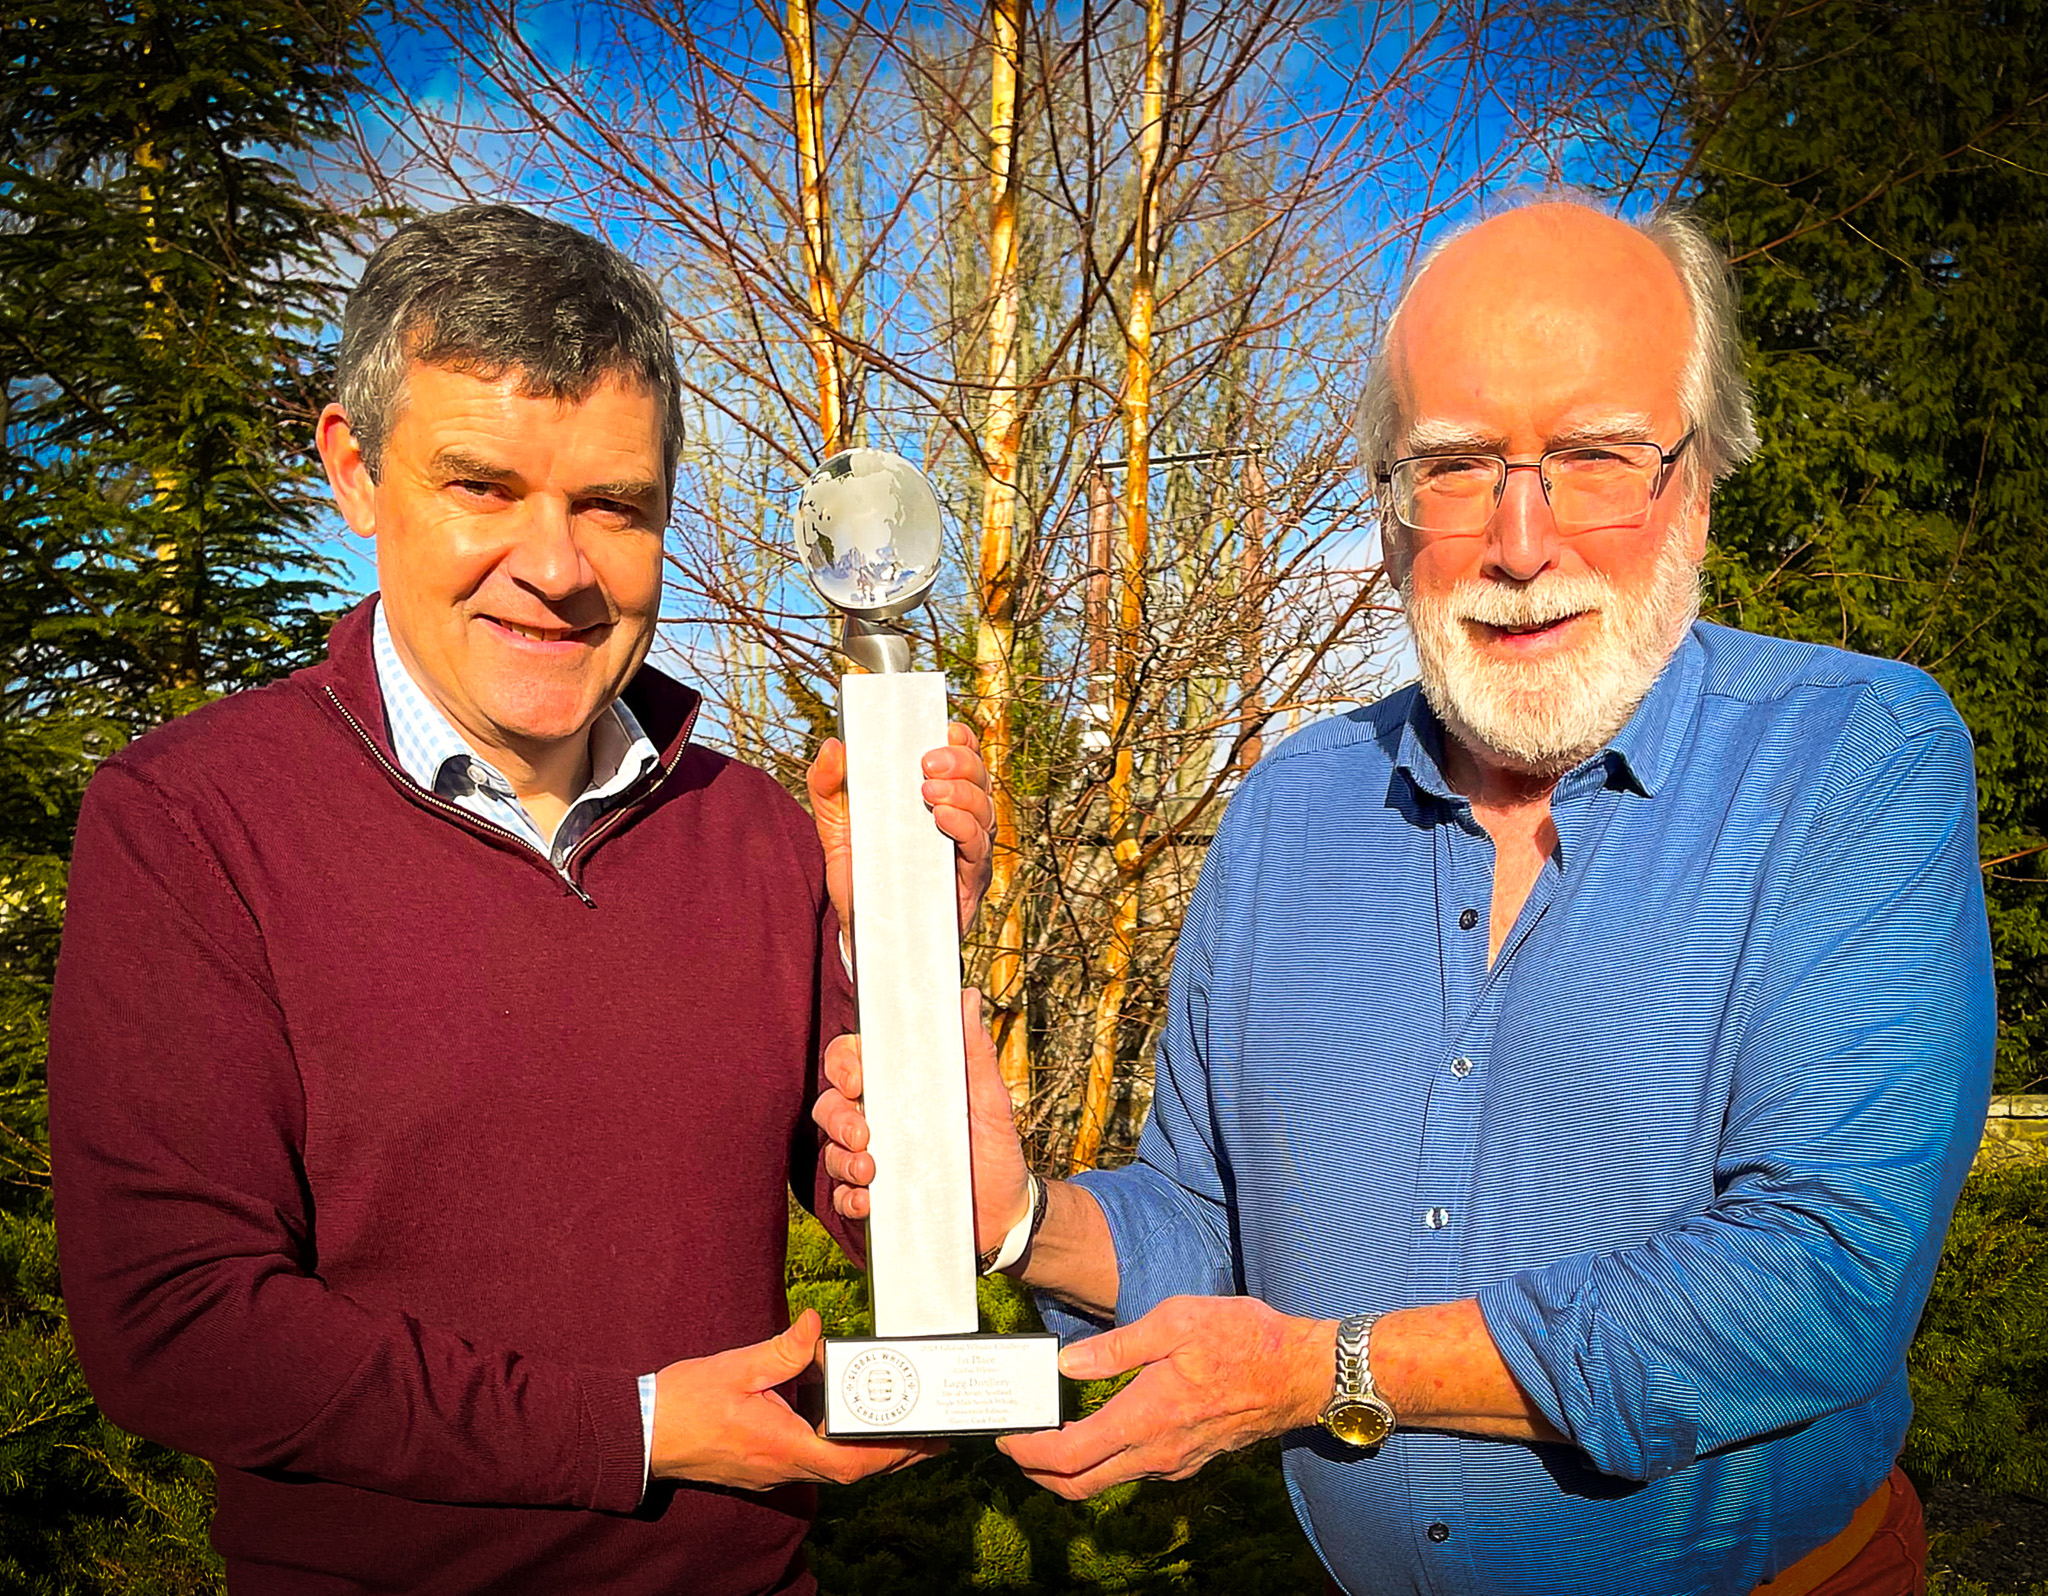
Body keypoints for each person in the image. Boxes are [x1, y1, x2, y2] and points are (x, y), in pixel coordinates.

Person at [815, 198, 1994, 1596]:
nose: (1519, 538)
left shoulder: (1853, 756)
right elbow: (1209, 1224)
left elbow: (1818, 1279)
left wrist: (1333, 1374)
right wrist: (1015, 1220)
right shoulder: (1289, 808)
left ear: (1700, 479)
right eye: (1454, 467)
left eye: (1596, 456)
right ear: (1388, 509)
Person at [47, 204, 991, 1594]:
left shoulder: (754, 830)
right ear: (357, 474)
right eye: (482, 487)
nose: (555, 569)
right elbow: (174, 1325)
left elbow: (900, 1234)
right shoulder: (194, 821)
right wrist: (639, 1433)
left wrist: (899, 949)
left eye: (613, 506)